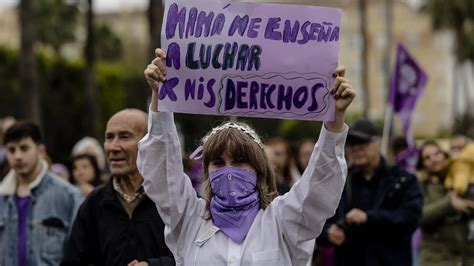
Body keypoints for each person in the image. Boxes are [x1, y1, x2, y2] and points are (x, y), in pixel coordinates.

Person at [138, 48, 355, 265]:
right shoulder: (188, 218)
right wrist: (160, 97)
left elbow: (318, 190)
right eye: (219, 162)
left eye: (240, 161)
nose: (229, 170)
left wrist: (334, 120)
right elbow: (162, 171)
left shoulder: (282, 219)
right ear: (207, 170)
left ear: (259, 169)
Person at [62, 109, 174, 266]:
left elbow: (198, 257)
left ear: (149, 143)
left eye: (124, 137)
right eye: (109, 137)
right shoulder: (94, 203)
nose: (113, 147)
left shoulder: (174, 199)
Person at [317, 119, 423, 266]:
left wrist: (368, 217)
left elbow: (410, 219)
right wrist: (327, 232)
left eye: (362, 143)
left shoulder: (403, 179)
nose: (356, 149)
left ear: (378, 144)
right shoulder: (339, 181)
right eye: (352, 144)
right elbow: (315, 218)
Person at [0, 121, 82, 266]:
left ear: (41, 151)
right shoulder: (2, 197)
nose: (18, 156)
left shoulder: (69, 195)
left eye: (24, 148)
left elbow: (80, 254)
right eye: (12, 150)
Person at [417, 140, 474, 266]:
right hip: (436, 258)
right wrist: (449, 203)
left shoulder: (461, 177)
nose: (434, 159)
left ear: (444, 154)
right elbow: (419, 216)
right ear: (423, 163)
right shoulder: (420, 184)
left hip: (465, 256)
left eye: (437, 153)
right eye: (427, 157)